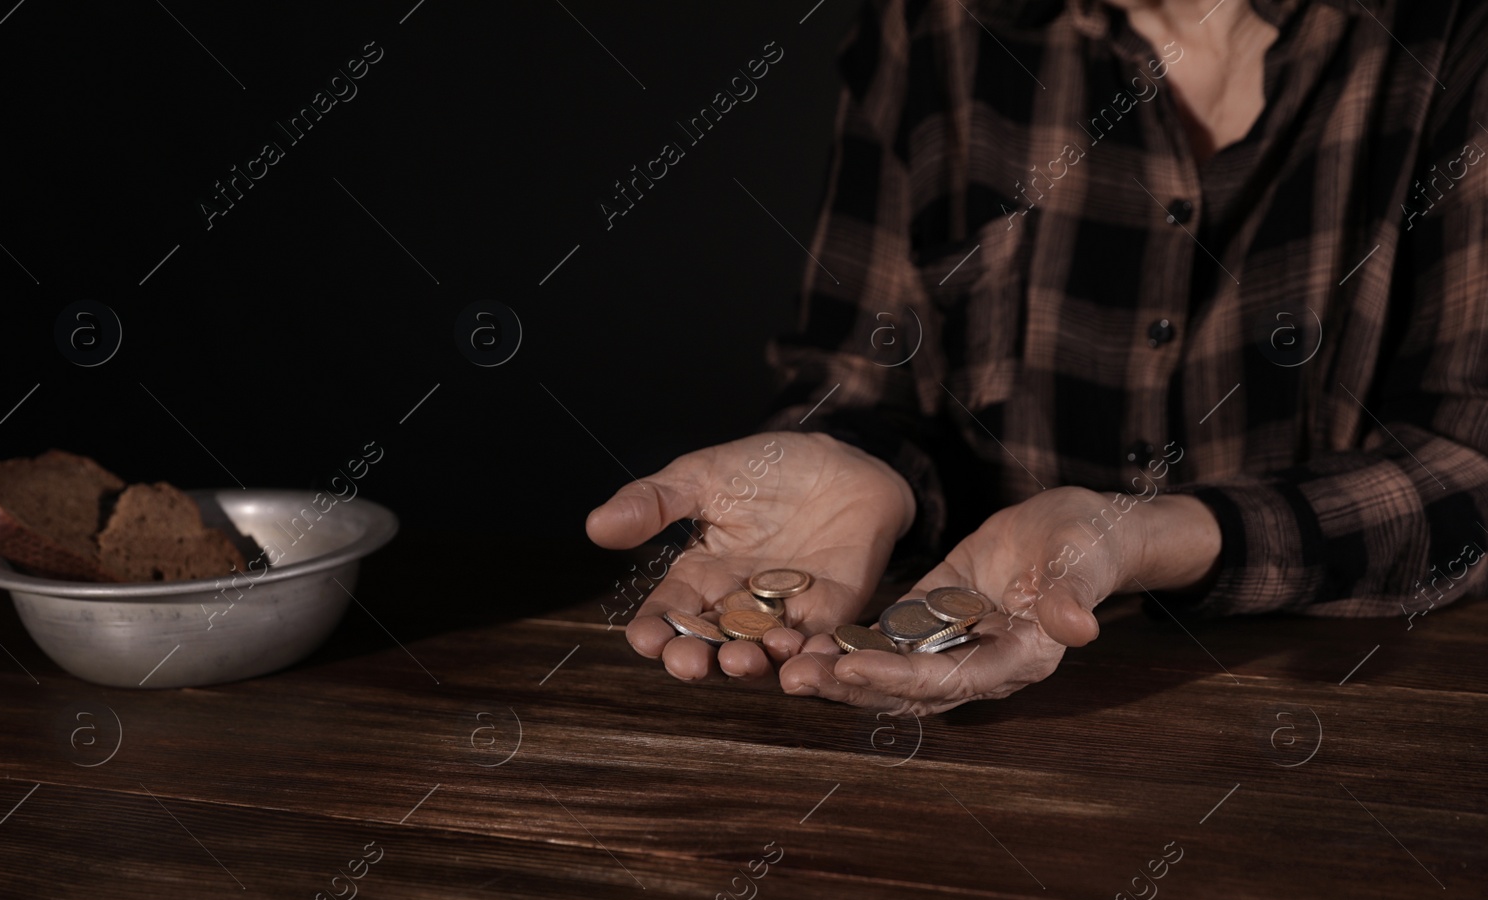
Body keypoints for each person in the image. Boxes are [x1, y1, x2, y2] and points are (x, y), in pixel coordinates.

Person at [586, 0, 1488, 716]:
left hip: (1358, 718)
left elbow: (1470, 465)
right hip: (991, 736)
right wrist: (859, 465)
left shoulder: (1452, 35)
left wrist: (1143, 539)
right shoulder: (932, 25)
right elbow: (866, 378)